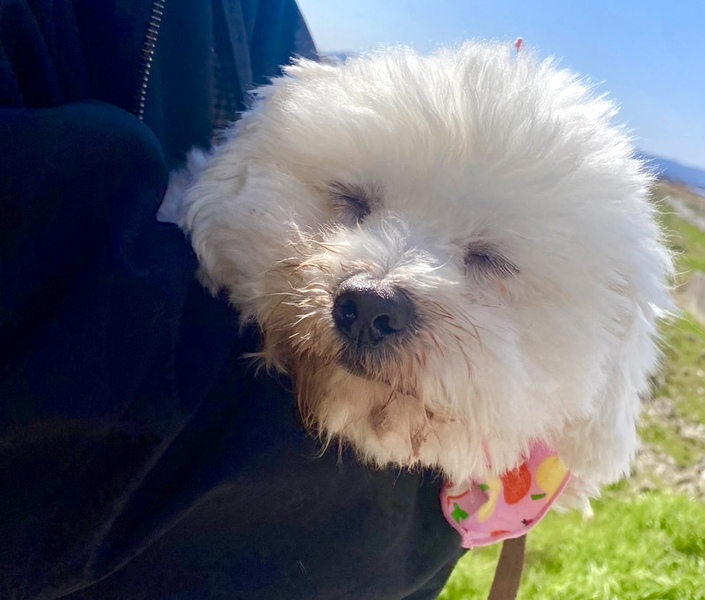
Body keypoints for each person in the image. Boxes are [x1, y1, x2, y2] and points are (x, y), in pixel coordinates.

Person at [0, 1, 463, 598]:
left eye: (485, 259)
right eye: (351, 202)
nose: (376, 289)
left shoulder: (266, 17)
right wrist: (439, 508)